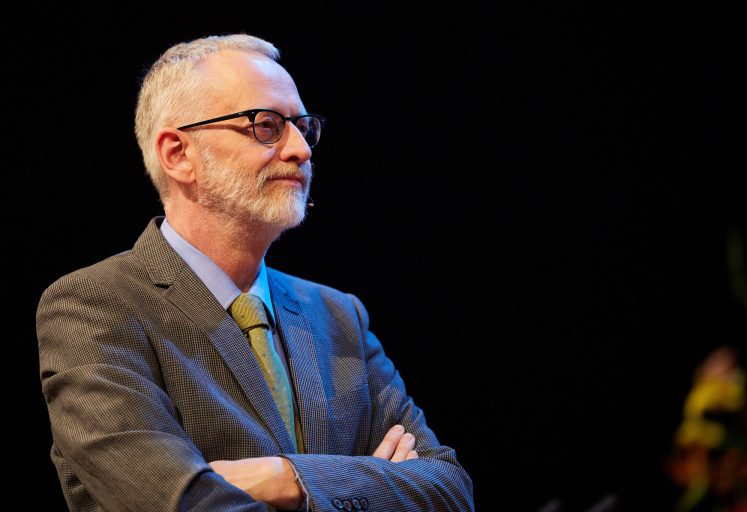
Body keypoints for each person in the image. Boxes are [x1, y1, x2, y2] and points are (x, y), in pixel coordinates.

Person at [36, 34, 473, 511]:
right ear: (178, 154)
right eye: (267, 126)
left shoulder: (338, 315)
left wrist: (284, 477)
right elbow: (180, 501)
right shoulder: (95, 305)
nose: (301, 149)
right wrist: (371, 483)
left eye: (304, 127)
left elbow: (448, 487)